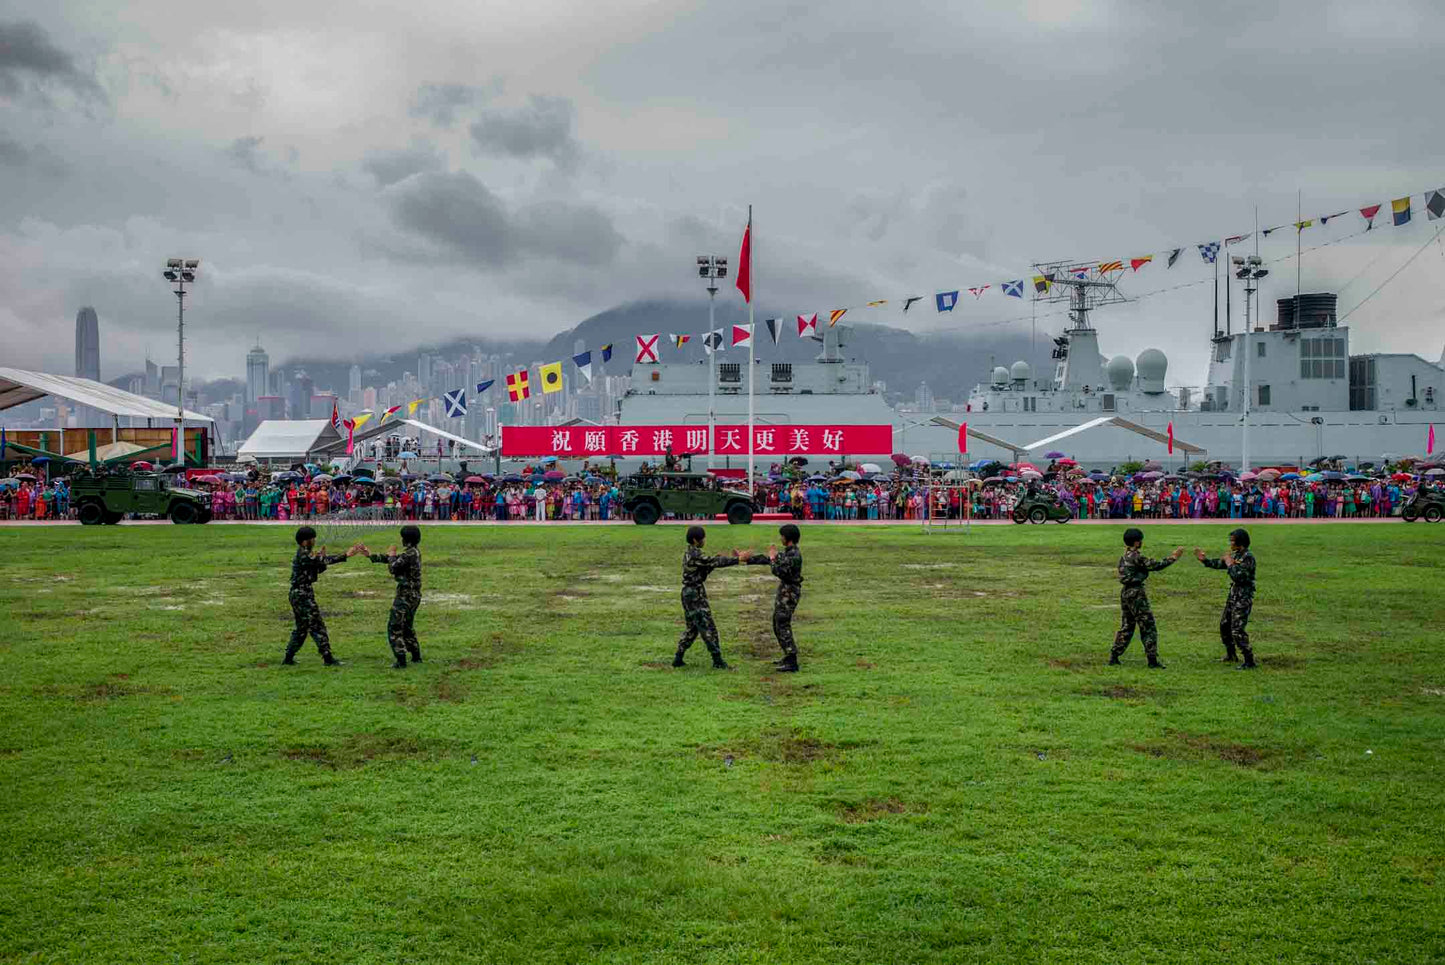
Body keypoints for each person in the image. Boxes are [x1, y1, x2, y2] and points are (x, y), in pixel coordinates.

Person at [283, 525, 362, 667]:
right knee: (317, 626)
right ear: (306, 541)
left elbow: (318, 568)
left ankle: (288, 658)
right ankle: (328, 658)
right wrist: (345, 555)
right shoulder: (304, 553)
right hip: (302, 595)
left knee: (302, 628)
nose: (314, 541)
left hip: (299, 593)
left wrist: (320, 557)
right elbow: (321, 562)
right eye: (312, 539)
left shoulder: (306, 553)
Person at [1109, 527, 1184, 669]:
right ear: (1137, 542)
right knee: (1148, 627)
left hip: (1125, 593)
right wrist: (1173, 557)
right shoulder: (1137, 557)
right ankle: (1152, 660)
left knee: (1127, 625)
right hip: (1136, 593)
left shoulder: (1124, 556)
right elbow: (1156, 565)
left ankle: (1114, 655)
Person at [673, 525, 739, 670]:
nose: (704, 540)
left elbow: (706, 566)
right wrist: (737, 559)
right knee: (708, 627)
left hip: (689, 593)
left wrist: (717, 559)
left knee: (693, 628)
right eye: (703, 538)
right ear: (696, 540)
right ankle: (718, 661)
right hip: (695, 594)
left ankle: (678, 658)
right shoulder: (695, 555)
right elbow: (711, 562)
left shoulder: (690, 553)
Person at [742, 523, 804, 672]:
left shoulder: (794, 555)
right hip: (785, 591)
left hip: (789, 592)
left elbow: (779, 570)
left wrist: (772, 558)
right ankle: (788, 656)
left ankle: (792, 660)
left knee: (782, 624)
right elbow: (766, 559)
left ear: (787, 538)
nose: (780, 538)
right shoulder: (789, 552)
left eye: (781, 536)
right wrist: (745, 559)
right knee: (777, 623)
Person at [1195, 528, 1258, 669]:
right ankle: (1231, 655)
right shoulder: (1236, 555)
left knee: (1237, 629)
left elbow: (1239, 576)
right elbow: (1219, 564)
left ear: (1240, 542)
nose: (1230, 543)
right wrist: (1205, 561)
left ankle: (1249, 660)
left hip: (1243, 597)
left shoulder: (1248, 557)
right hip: (1233, 596)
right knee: (1225, 625)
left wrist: (1229, 563)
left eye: (1232, 541)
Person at [365, 525, 424, 668]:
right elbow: (395, 559)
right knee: (407, 627)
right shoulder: (413, 552)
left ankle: (401, 659)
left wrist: (391, 555)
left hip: (406, 595)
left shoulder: (410, 554)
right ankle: (416, 656)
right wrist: (371, 556)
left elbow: (393, 567)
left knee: (395, 626)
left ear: (406, 539)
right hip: (414, 595)